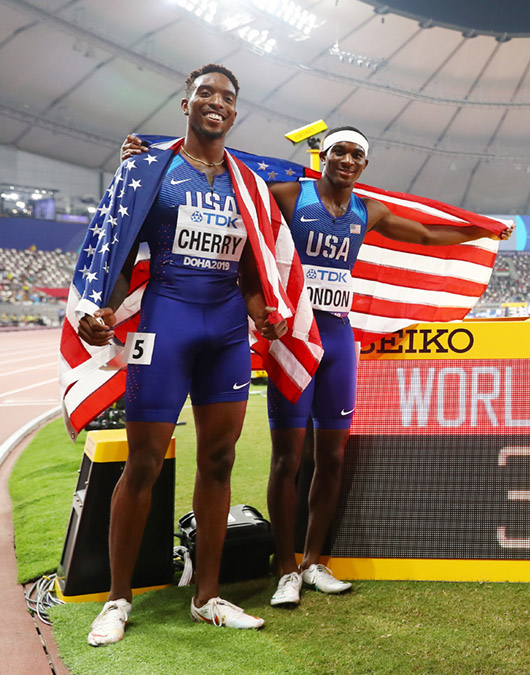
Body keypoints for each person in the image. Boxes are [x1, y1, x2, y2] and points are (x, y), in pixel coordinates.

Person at [120, 125, 510, 607]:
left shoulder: (368, 210)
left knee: (332, 458)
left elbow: (429, 234)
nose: (347, 160)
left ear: (364, 165)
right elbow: (231, 176)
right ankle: (286, 569)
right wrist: (152, 153)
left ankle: (315, 561)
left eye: (356, 155)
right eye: (339, 151)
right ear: (322, 156)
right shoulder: (288, 194)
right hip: (295, 340)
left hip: (339, 342)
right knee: (287, 459)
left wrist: (483, 228)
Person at [81, 64, 292, 646]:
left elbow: (252, 268)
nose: (216, 102)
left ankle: (208, 596)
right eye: (205, 93)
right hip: (165, 324)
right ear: (186, 104)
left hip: (225, 331)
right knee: (144, 461)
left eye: (227, 95)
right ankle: (118, 599)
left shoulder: (247, 184)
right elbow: (123, 256)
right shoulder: (154, 171)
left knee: (219, 462)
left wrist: (263, 313)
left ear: (234, 111)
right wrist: (104, 307)